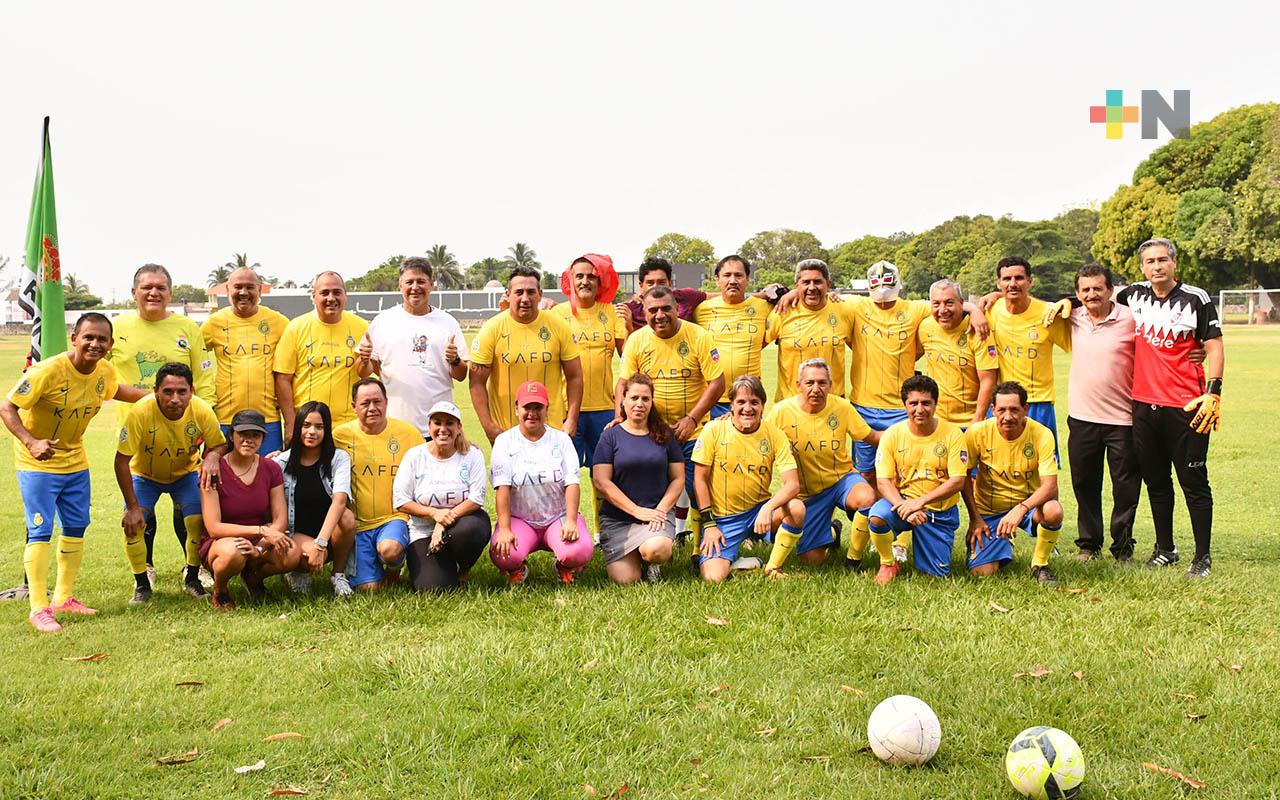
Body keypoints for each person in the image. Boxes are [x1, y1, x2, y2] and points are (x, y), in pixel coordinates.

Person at [1047, 239, 1223, 577]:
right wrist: (1066, 301)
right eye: (1150, 262)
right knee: (1156, 482)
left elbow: (1213, 344)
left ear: (1174, 262)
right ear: (1142, 268)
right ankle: (1165, 548)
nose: (1156, 266)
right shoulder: (1135, 296)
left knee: (1193, 482)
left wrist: (1214, 390)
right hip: (1143, 406)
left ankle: (1201, 557)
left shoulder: (1193, 299)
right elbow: (1088, 297)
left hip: (1186, 405)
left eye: (1162, 260)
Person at [835, 264, 987, 569]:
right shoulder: (856, 306)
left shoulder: (916, 308)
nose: (883, 300)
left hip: (900, 408)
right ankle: (860, 552)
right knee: (869, 480)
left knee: (904, 476)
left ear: (900, 288)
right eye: (878, 295)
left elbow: (950, 302)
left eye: (889, 295)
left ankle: (900, 544)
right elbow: (824, 296)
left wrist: (975, 309)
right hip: (862, 407)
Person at [1, 313, 146, 632]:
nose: (95, 344)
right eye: (89, 337)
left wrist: (154, 397)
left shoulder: (104, 371)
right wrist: (31, 441)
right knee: (40, 530)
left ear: (109, 345)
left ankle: (64, 597)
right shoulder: (47, 371)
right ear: (75, 339)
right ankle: (38, 607)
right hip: (38, 461)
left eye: (102, 340)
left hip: (75, 460)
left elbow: (116, 390)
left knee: (77, 525)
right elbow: (7, 406)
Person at [110, 263, 217, 591]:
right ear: (134, 293)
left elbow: (204, 375)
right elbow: (101, 377)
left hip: (185, 428)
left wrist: (202, 417)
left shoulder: (187, 327)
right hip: (137, 431)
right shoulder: (117, 327)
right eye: (147, 287)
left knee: (188, 508)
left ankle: (194, 570)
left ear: (170, 293)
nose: (154, 293)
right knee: (143, 510)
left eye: (161, 287)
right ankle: (147, 567)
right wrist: (151, 400)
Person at [617, 285, 725, 540]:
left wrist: (692, 419)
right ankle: (643, 542)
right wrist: (621, 418)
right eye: (653, 310)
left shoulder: (698, 336)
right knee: (644, 491)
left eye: (666, 308)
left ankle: (701, 549)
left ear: (678, 309)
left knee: (698, 488)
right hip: (650, 431)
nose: (660, 315)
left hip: (693, 431)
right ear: (644, 312)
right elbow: (624, 383)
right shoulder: (637, 340)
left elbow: (718, 382)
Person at [115, 362, 227, 604]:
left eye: (182, 392)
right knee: (132, 524)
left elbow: (219, 443)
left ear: (192, 391)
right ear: (156, 391)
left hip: (184, 475)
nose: (175, 399)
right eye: (167, 392)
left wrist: (213, 457)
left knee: (197, 521)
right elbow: (121, 461)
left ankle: (193, 578)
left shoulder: (202, 410)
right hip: (144, 476)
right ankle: (142, 585)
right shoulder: (140, 412)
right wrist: (132, 507)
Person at [763, 359, 879, 572]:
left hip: (841, 480)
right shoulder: (781, 412)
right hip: (807, 494)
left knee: (866, 497)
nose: (816, 388)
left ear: (831, 385)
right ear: (798, 385)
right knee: (811, 560)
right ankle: (833, 532)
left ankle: (853, 561)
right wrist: (729, 423)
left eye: (822, 383)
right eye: (810, 383)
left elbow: (871, 436)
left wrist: (906, 432)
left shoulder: (842, 407)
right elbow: (759, 440)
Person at [1061, 265, 1141, 562]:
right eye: (1085, 289)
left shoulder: (1131, 318)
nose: (1092, 294)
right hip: (1082, 419)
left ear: (1110, 290)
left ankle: (1122, 548)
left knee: (1126, 487)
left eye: (1098, 288)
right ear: (1078, 293)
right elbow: (1025, 303)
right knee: (1085, 484)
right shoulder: (1072, 315)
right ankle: (1089, 544)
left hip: (1123, 420)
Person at [692, 376, 805, 583]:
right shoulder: (713, 430)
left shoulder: (774, 435)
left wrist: (767, 508)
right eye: (741, 402)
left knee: (796, 508)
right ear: (731, 405)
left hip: (758, 512)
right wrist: (709, 525)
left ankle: (773, 567)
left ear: (763, 405)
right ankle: (749, 562)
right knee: (713, 578)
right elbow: (699, 479)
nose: (747, 408)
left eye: (754, 402)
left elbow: (792, 484)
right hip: (725, 518)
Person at [865, 375, 967, 584]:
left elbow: (958, 481)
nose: (920, 409)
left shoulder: (953, 434)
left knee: (934, 577)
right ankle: (888, 563)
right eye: (913, 403)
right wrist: (904, 505)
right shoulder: (892, 435)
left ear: (935, 404)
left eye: (926, 403)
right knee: (877, 516)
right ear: (904, 405)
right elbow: (883, 481)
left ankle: (931, 550)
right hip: (903, 504)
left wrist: (918, 503)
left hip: (938, 512)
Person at [489, 380, 593, 585]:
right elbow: (503, 488)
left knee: (579, 551)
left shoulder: (561, 440)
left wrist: (571, 520)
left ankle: (564, 566)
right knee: (503, 553)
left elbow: (572, 483)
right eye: (527, 407)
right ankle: (518, 569)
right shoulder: (504, 441)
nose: (532, 413)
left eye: (538, 407)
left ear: (547, 409)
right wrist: (505, 528)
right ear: (517, 408)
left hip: (557, 517)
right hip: (521, 519)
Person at [961, 381, 1065, 583]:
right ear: (992, 410)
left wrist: (1022, 508)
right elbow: (963, 477)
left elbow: (1050, 485)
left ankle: (1040, 564)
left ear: (1026, 409)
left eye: (1014, 410)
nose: (1007, 417)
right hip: (989, 512)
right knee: (982, 573)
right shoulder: (976, 433)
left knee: (1053, 510)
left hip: (1027, 509)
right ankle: (1001, 543)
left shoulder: (1042, 434)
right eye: (1001, 410)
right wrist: (975, 518)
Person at [199, 409, 301, 610]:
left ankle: (253, 577)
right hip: (222, 541)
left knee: (291, 553)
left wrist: (261, 546)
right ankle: (221, 590)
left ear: (263, 438)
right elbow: (213, 527)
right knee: (233, 552)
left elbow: (280, 518)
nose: (248, 440)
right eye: (242, 434)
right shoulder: (214, 469)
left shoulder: (270, 468)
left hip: (259, 539)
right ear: (231, 436)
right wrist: (261, 530)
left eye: (255, 435)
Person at [470, 266, 583, 443]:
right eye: (519, 292)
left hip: (551, 432)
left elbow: (575, 376)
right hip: (506, 434)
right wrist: (489, 427)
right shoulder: (492, 329)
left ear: (540, 294)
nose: (525, 298)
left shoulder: (559, 326)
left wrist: (571, 420)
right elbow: (476, 382)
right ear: (508, 294)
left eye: (531, 292)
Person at [360, 257, 470, 438]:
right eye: (409, 282)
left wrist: (454, 359)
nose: (415, 287)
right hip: (394, 426)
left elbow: (461, 375)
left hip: (437, 428)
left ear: (431, 284)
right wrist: (364, 359)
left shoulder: (447, 322)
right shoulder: (384, 321)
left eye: (421, 281)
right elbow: (363, 371)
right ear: (400, 285)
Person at [591, 374, 683, 584]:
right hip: (618, 519)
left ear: (652, 402)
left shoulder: (664, 434)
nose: (639, 404)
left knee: (656, 550)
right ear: (623, 400)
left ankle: (652, 563)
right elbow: (601, 481)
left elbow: (678, 479)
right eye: (634, 398)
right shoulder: (610, 436)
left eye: (645, 399)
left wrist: (660, 510)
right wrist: (636, 511)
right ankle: (633, 558)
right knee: (626, 580)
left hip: (656, 514)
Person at [333, 378, 421, 591]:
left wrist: (461, 443)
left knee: (390, 550)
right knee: (369, 589)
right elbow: (311, 452)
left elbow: (431, 458)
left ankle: (395, 563)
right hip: (359, 525)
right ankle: (368, 565)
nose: (372, 408)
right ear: (354, 406)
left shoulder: (409, 434)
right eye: (365, 403)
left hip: (394, 517)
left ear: (386, 402)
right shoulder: (339, 436)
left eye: (377, 401)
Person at [393, 401, 490, 592]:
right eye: (437, 423)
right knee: (433, 588)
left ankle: (464, 566)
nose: (443, 429)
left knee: (474, 528)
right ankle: (438, 564)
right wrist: (433, 514)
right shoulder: (415, 456)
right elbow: (401, 501)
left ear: (459, 428)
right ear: (429, 427)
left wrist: (442, 521)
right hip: (422, 531)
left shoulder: (472, 455)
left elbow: (476, 498)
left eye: (449, 423)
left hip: (461, 525)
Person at [985, 257, 1071, 457]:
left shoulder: (1048, 314)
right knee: (998, 466)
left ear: (1030, 281)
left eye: (1019, 278)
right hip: (1001, 404)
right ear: (998, 283)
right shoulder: (990, 311)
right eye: (1007, 279)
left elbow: (1077, 343)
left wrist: (1070, 302)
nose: (1013, 283)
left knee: (1042, 469)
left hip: (1037, 403)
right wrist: (974, 309)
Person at [272, 400, 357, 597]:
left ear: (327, 430)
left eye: (319, 427)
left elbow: (340, 500)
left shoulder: (339, 458)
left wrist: (321, 543)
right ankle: (297, 571)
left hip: (326, 534)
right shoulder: (280, 462)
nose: (312, 432)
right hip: (295, 532)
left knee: (347, 517)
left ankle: (338, 575)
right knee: (307, 557)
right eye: (306, 425)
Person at [201, 266, 290, 454]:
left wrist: (289, 418)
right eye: (238, 287)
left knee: (268, 476)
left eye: (250, 287)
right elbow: (193, 360)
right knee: (221, 479)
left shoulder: (279, 322)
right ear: (227, 290)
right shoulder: (213, 323)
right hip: (225, 418)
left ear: (259, 290)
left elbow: (292, 368)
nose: (243, 292)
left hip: (267, 419)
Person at [550, 253, 628, 467]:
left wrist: (629, 327)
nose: (585, 281)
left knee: (604, 473)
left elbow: (628, 358)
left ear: (600, 281)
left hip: (604, 408)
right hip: (565, 409)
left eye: (591, 277)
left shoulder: (613, 312)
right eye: (580, 277)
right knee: (564, 473)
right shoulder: (556, 314)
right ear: (570, 280)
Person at [274, 271, 369, 433]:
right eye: (324, 293)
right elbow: (283, 379)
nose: (331, 298)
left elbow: (365, 373)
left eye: (337, 292)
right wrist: (290, 424)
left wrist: (366, 362)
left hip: (349, 425)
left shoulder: (362, 327)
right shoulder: (296, 328)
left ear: (345, 296)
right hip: (308, 426)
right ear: (313, 296)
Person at [694, 255, 773, 418]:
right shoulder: (700, 310)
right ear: (717, 280)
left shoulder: (764, 307)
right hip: (710, 398)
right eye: (727, 275)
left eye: (738, 275)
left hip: (749, 398)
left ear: (747, 279)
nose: (733, 280)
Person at [766, 259, 856, 402]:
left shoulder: (845, 310)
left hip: (832, 404)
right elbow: (753, 348)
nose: (812, 287)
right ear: (797, 286)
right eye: (806, 282)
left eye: (818, 282)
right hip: (791, 405)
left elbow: (861, 349)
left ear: (828, 284)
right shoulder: (782, 312)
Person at [916, 278, 998, 429]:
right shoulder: (925, 327)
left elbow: (988, 381)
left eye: (949, 303)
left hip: (970, 422)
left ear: (961, 303)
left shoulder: (978, 330)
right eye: (936, 304)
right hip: (936, 422)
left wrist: (978, 420)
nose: (942, 310)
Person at [622, 257, 709, 331]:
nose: (656, 287)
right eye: (650, 283)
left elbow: (720, 296)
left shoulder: (686, 297)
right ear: (641, 285)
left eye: (661, 282)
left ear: (670, 283)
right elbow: (624, 349)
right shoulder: (630, 310)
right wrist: (629, 328)